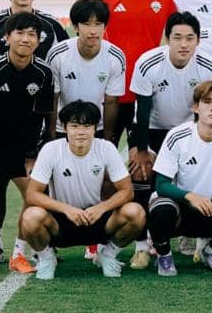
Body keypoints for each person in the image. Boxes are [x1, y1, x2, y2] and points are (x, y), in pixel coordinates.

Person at [126, 11, 212, 268]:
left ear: (197, 41)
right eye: (177, 37)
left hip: (191, 130)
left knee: (199, 175)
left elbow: (208, 106)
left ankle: (201, 241)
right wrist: (143, 150)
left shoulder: (208, 65)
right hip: (152, 129)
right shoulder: (148, 62)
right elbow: (143, 109)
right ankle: (142, 247)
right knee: (141, 173)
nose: (183, 44)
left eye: (189, 38)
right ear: (167, 39)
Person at [0, 12, 57, 275]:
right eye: (19, 33)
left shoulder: (43, 73)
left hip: (22, 144)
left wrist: (33, 155)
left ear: (38, 41)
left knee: (34, 192)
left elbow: (42, 115)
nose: (25, 39)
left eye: (31, 34)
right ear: (7, 38)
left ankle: (18, 253)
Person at [20, 101, 147, 279]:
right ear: (65, 128)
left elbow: (127, 191)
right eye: (75, 125)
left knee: (136, 212)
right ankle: (47, 258)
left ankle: (107, 255)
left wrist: (101, 208)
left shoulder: (106, 148)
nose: (81, 131)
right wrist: (66, 209)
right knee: (31, 216)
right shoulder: (51, 150)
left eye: (87, 126)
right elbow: (32, 194)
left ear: (95, 128)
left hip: (96, 217)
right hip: (62, 220)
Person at [147, 81, 212, 276]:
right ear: (195, 107)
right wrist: (190, 196)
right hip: (181, 205)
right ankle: (164, 255)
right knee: (161, 208)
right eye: (207, 102)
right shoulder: (177, 136)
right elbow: (161, 185)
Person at [98, 0, 177, 149]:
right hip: (111, 91)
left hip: (147, 92)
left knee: (143, 164)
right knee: (103, 156)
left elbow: (177, 40)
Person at [46, 0, 127, 142]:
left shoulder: (115, 56)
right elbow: (52, 98)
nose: (93, 31)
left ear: (105, 26)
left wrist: (107, 140)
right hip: (63, 127)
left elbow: (111, 102)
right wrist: (51, 136)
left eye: (98, 24)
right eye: (86, 24)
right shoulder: (58, 54)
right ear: (75, 27)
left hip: (97, 127)